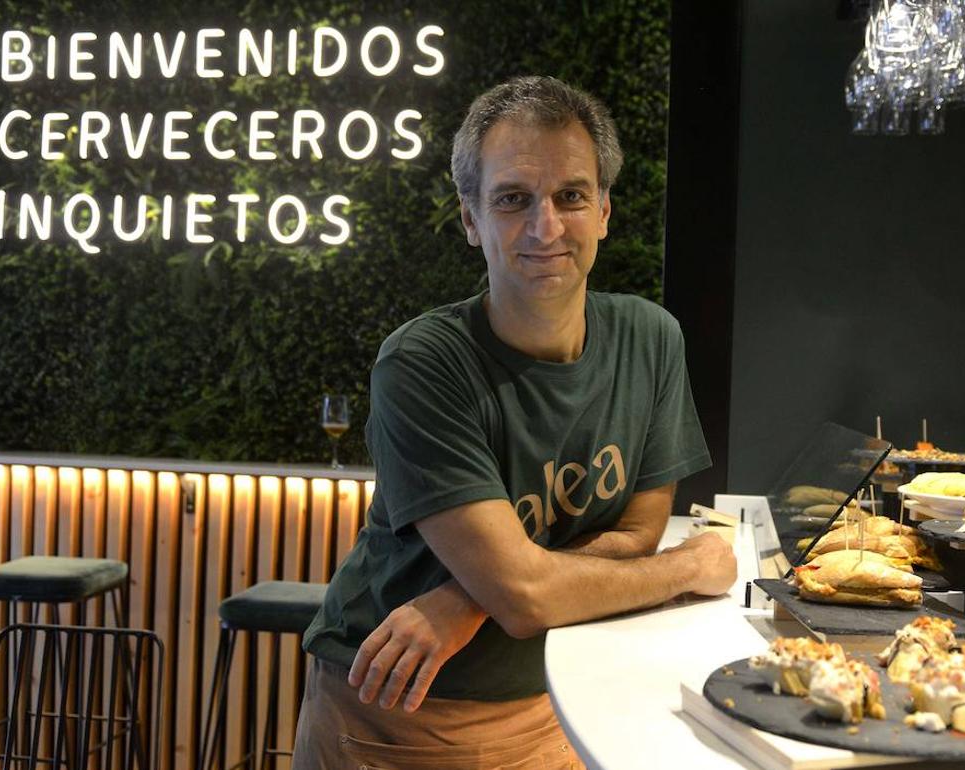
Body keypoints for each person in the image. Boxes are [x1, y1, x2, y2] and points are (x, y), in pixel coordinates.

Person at [292, 75, 737, 770]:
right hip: (402, 716)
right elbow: (527, 597)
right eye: (512, 199)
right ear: (471, 220)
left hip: (552, 700)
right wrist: (688, 567)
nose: (545, 227)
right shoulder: (423, 363)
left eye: (571, 196)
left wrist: (467, 599)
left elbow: (637, 533)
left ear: (604, 211)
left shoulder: (650, 339)